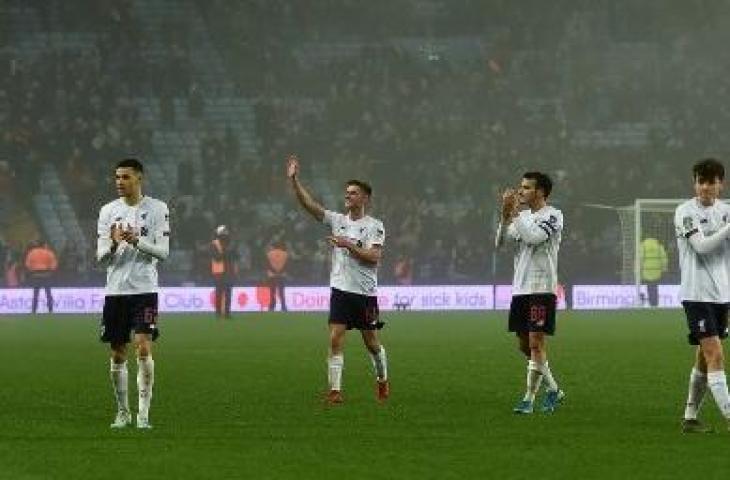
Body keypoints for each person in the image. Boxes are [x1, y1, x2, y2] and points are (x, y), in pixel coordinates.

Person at [286, 154, 389, 404]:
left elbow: (374, 257)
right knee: (334, 338)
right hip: (341, 290)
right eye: (347, 192)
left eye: (353, 193)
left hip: (365, 293)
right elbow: (309, 205)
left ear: (364, 198)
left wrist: (347, 245)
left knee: (372, 343)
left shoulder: (375, 226)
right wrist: (294, 181)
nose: (348, 196)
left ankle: (382, 380)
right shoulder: (337, 220)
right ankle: (335, 391)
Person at [96, 158, 170, 429]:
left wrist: (136, 240)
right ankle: (123, 412)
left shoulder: (158, 208)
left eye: (125, 177)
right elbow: (100, 258)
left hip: (144, 290)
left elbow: (163, 253)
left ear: (140, 178)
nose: (119, 182)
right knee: (117, 354)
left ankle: (143, 415)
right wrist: (115, 245)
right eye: (117, 177)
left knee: (143, 347)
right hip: (115, 292)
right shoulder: (107, 212)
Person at [495, 171, 565, 414]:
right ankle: (554, 389)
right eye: (520, 187)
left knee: (536, 343)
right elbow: (500, 243)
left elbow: (534, 238)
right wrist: (505, 217)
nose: (520, 191)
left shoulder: (554, 216)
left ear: (541, 192)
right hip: (520, 288)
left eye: (526, 187)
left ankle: (528, 399)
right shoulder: (521, 216)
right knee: (524, 346)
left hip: (541, 288)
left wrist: (513, 214)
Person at [674, 158, 730, 433]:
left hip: (722, 295)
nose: (705, 187)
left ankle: (690, 417)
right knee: (715, 354)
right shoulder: (685, 211)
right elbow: (702, 247)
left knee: (703, 358)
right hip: (696, 294)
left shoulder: (726, 210)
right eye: (700, 181)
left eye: (711, 182)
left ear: (721, 184)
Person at [24, 239, 58, 313]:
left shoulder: (32, 253)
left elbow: (27, 264)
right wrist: (50, 271)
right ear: (44, 245)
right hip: (46, 274)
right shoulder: (48, 252)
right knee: (48, 293)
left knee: (36, 294)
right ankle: (50, 309)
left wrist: (32, 271)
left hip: (36, 275)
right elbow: (54, 263)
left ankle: (34, 310)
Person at [211, 225, 237, 318]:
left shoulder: (231, 244)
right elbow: (216, 257)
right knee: (219, 293)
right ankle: (218, 313)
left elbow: (236, 256)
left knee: (228, 293)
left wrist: (228, 253)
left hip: (229, 271)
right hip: (219, 272)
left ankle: (227, 313)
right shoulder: (214, 244)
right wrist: (227, 252)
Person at [640, 237, 668, 307]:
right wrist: (664, 269)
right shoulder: (659, 246)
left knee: (649, 287)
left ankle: (651, 302)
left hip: (646, 270)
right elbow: (664, 259)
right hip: (656, 270)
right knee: (655, 287)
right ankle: (655, 303)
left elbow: (640, 259)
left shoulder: (643, 246)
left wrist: (638, 270)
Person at [266, 241, 288, 311]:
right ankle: (283, 306)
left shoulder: (269, 254)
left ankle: (271, 306)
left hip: (272, 275)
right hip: (282, 274)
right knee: (281, 291)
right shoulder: (285, 254)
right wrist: (281, 271)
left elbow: (267, 264)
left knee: (272, 291)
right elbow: (287, 264)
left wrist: (273, 271)